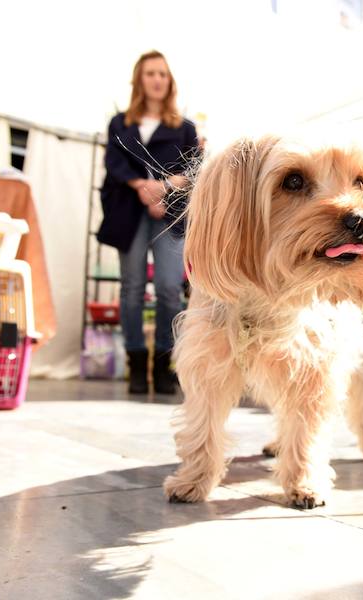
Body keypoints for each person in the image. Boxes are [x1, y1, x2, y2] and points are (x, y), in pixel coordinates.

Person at [96, 50, 200, 395]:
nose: (157, 79)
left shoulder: (184, 128)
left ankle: (164, 362)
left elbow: (195, 169)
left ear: (170, 82)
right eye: (150, 73)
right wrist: (141, 187)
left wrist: (163, 189)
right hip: (129, 210)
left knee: (171, 287)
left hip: (169, 214)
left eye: (163, 74)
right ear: (139, 79)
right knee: (132, 288)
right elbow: (114, 162)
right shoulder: (120, 123)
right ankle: (137, 363)